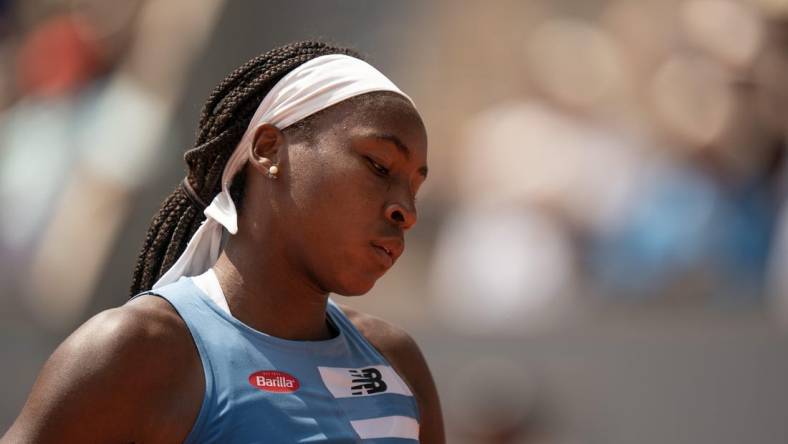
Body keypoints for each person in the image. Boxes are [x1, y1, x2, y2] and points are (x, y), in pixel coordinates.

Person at [2, 41, 445, 443]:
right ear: (269, 149)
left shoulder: (397, 361)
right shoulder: (138, 350)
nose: (405, 210)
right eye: (379, 165)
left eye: (415, 187)